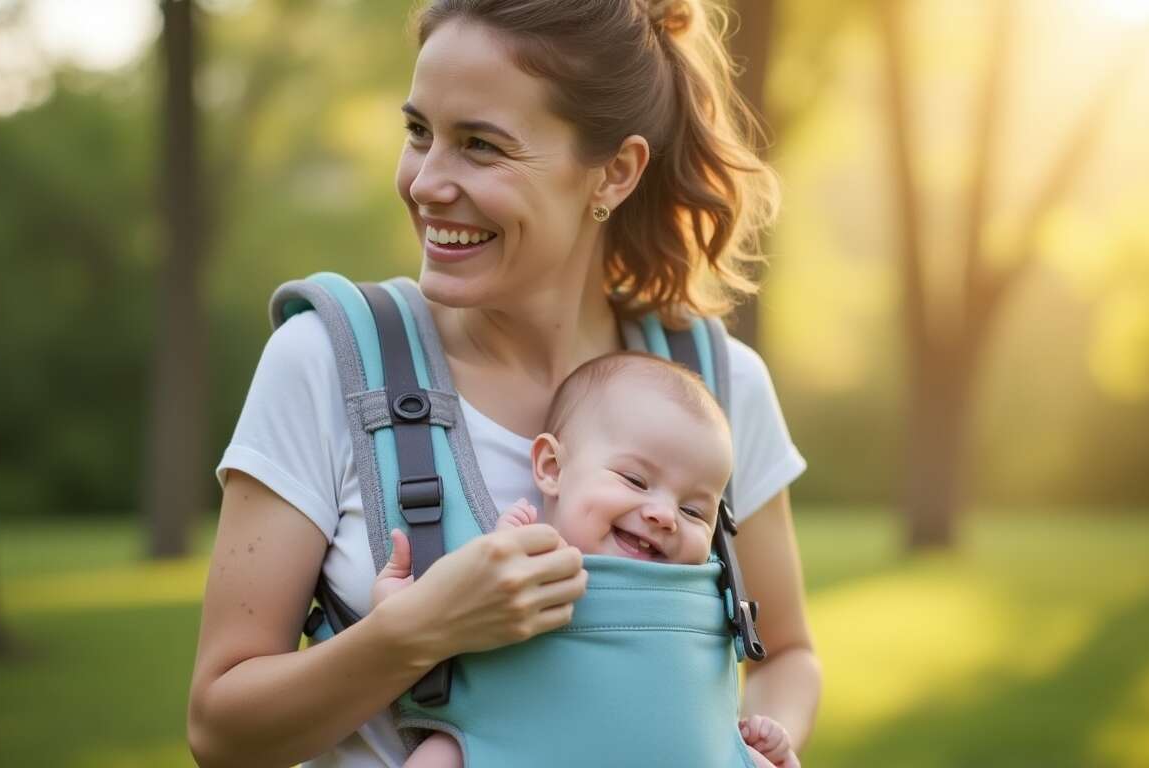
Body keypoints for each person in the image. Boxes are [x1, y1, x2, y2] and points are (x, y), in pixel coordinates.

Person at [187, 0, 820, 766]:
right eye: (418, 132)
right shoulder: (325, 365)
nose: (425, 183)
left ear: (615, 172)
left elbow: (785, 654)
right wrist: (418, 630)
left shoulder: (718, 386)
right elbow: (221, 733)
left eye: (480, 146)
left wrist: (762, 744)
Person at [369, 352, 795, 767]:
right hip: (505, 737)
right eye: (635, 480)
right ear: (552, 468)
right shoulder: (513, 564)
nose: (665, 516)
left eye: (693, 511)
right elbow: (430, 627)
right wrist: (401, 607)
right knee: (442, 752)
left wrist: (758, 749)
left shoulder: (698, 595)